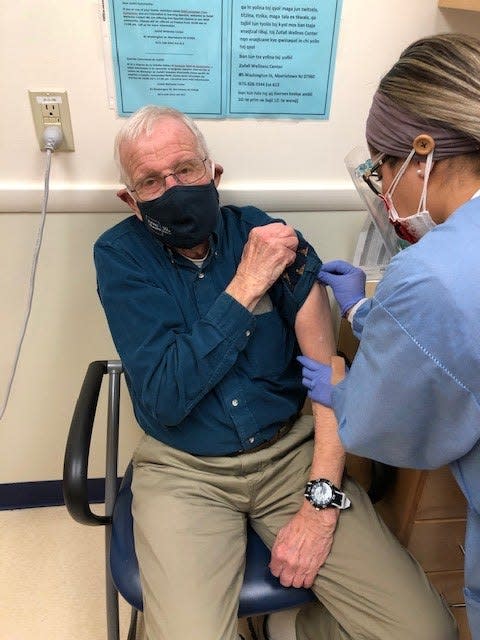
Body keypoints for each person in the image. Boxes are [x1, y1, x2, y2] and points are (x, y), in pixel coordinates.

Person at [93, 105, 456, 640]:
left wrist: (321, 501)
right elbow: (166, 398)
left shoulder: (268, 236)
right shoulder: (122, 258)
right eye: (151, 180)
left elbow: (326, 369)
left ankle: (288, 629)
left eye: (186, 170)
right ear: (130, 199)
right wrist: (245, 285)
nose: (173, 187)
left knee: (424, 632)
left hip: (291, 454)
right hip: (185, 470)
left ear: (213, 174)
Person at [299, 33, 480, 640]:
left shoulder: (430, 273)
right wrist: (362, 313)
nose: (382, 182)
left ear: (421, 152)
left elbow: (387, 422)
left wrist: (341, 390)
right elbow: (448, 344)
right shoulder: (439, 272)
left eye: (381, 164)